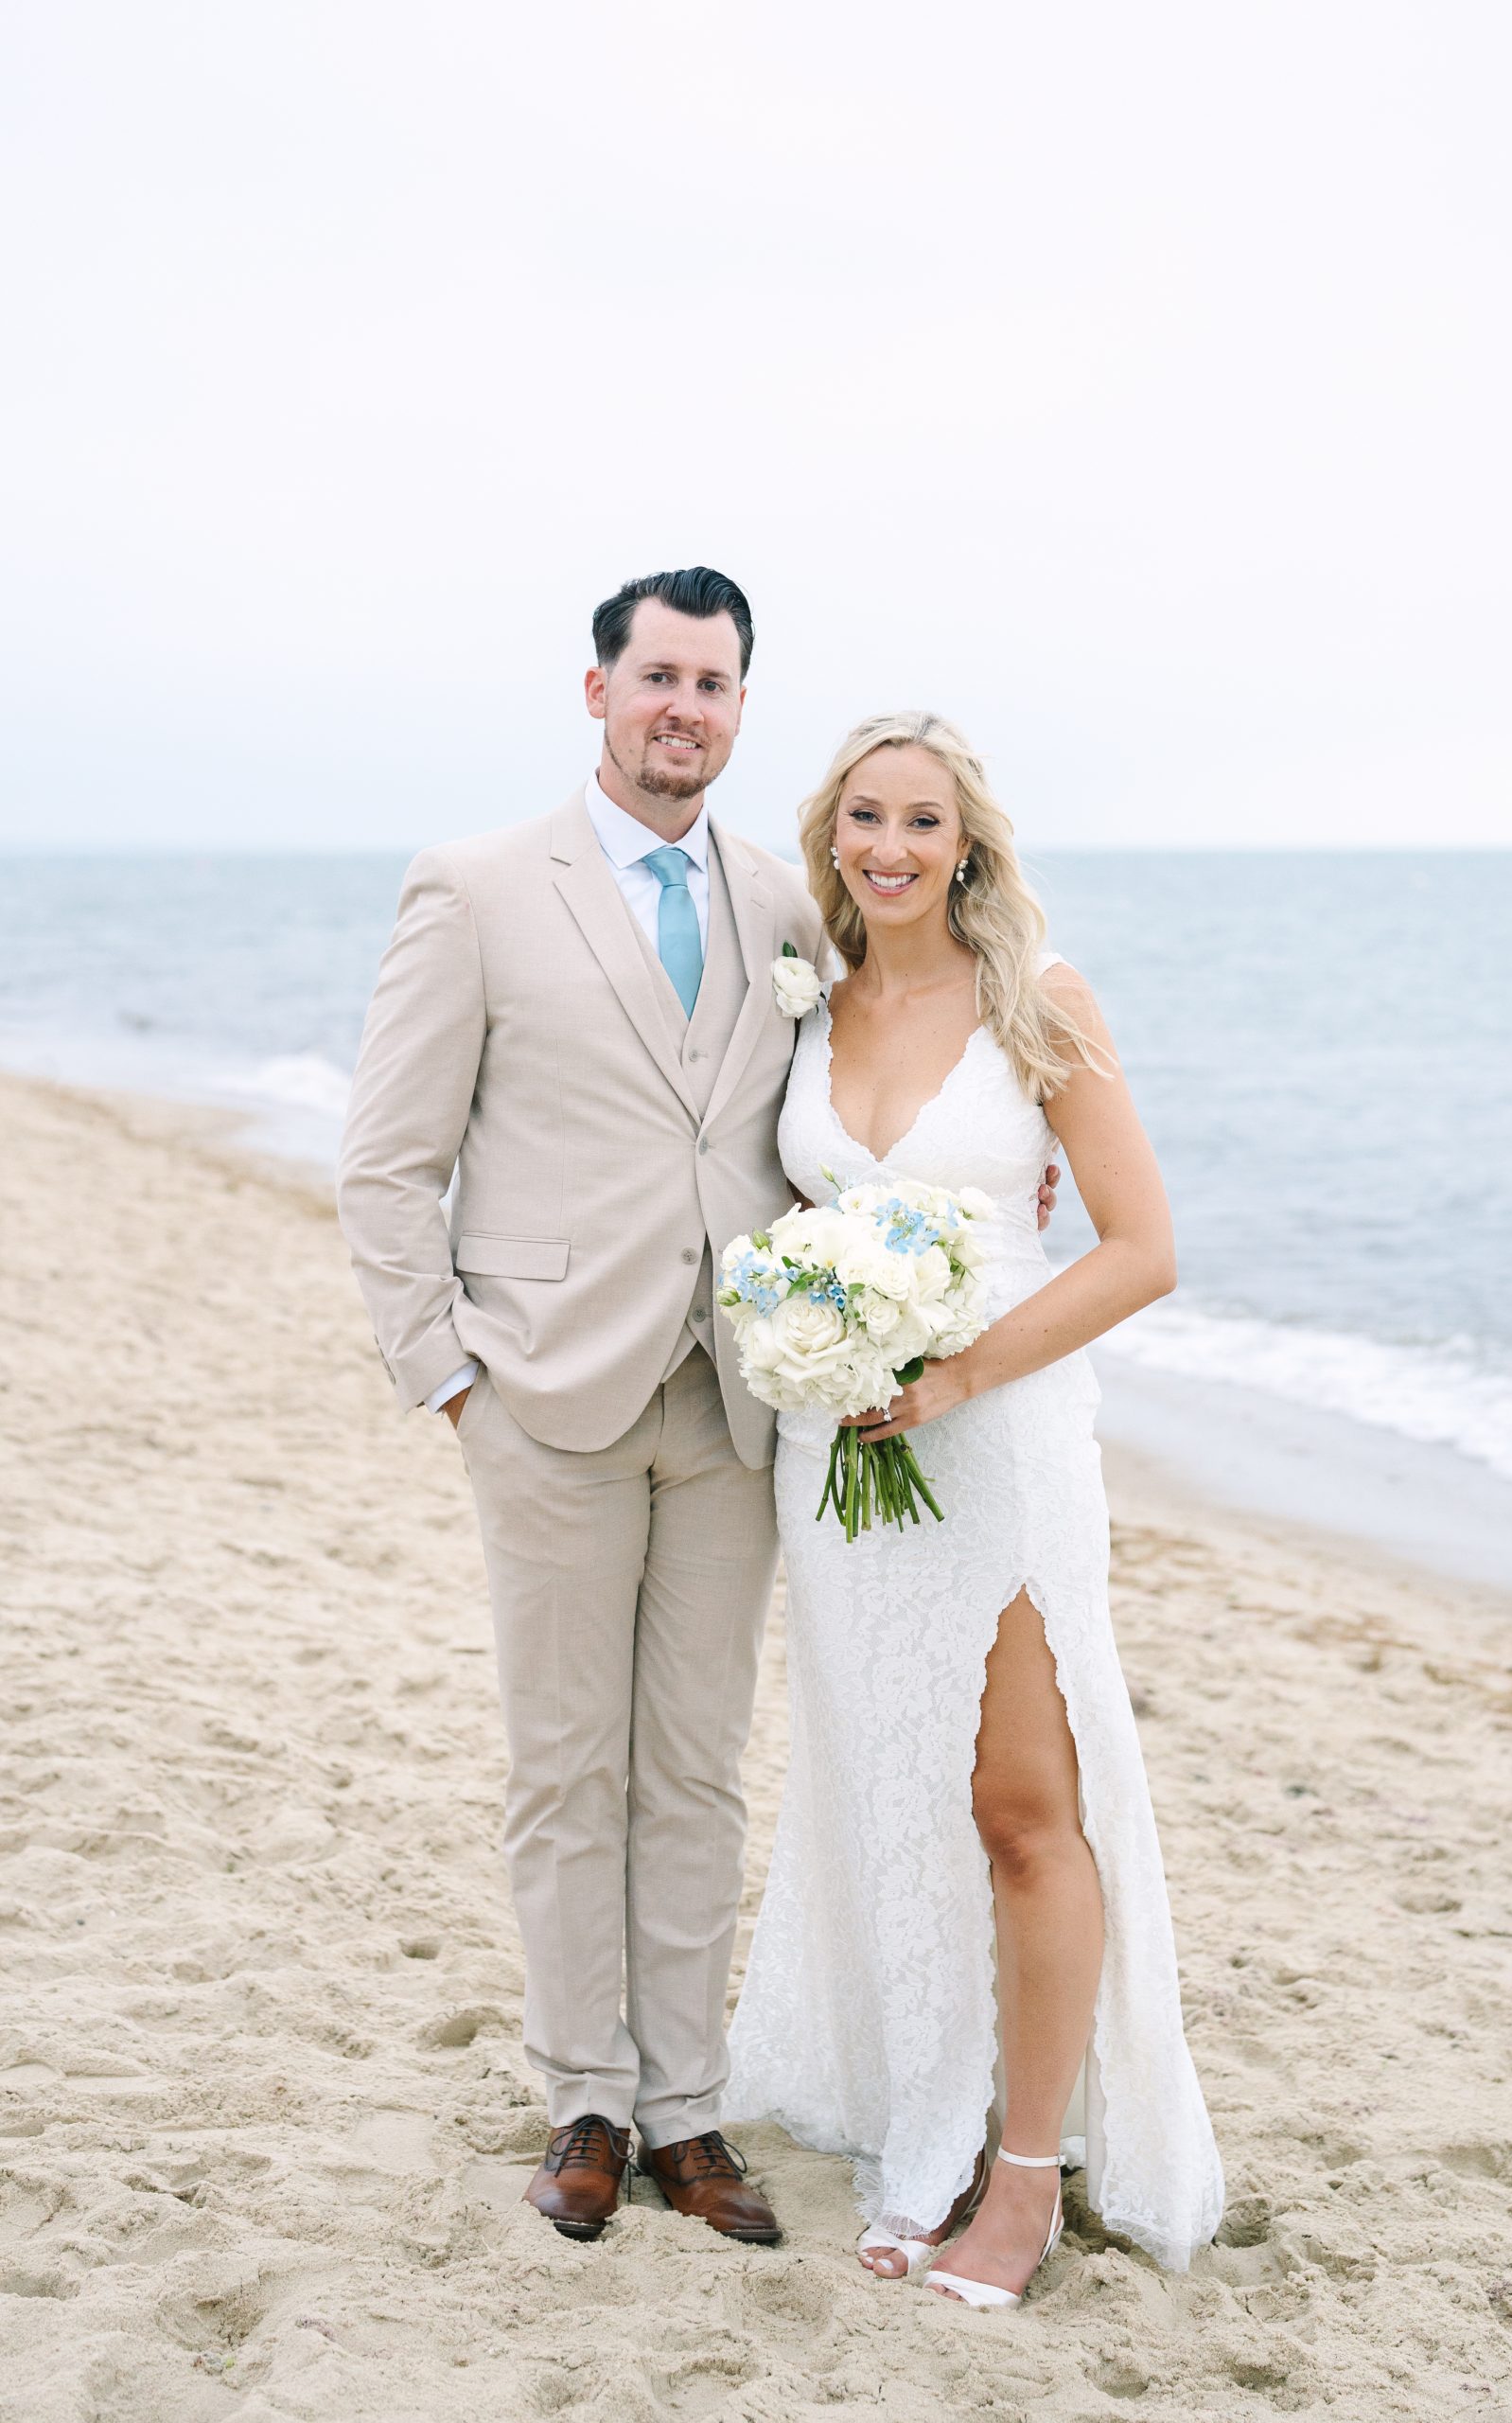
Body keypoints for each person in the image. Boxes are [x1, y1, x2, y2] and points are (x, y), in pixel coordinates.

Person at [336, 572, 1061, 2247]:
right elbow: (388, 1161)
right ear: (597, 692)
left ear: (742, 708)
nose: (686, 708)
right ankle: (584, 2098)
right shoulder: (476, 888)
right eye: (658, 676)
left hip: (740, 1407)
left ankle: (687, 2114)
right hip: (547, 1392)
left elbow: (842, 1098)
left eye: (716, 684)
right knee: (565, 1762)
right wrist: (443, 1371)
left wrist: (950, 1238)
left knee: (699, 1770)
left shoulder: (781, 901)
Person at [724, 711, 1223, 2306]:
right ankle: (924, 2123)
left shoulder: (1040, 1003)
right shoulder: (804, 1003)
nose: (890, 846)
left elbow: (1139, 1248)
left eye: (922, 822)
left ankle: (1022, 2181)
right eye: (863, 816)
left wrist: (952, 1377)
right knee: (891, 1795)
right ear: (832, 840)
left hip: (996, 1442)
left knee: (1022, 1810)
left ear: (969, 847)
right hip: (843, 1459)